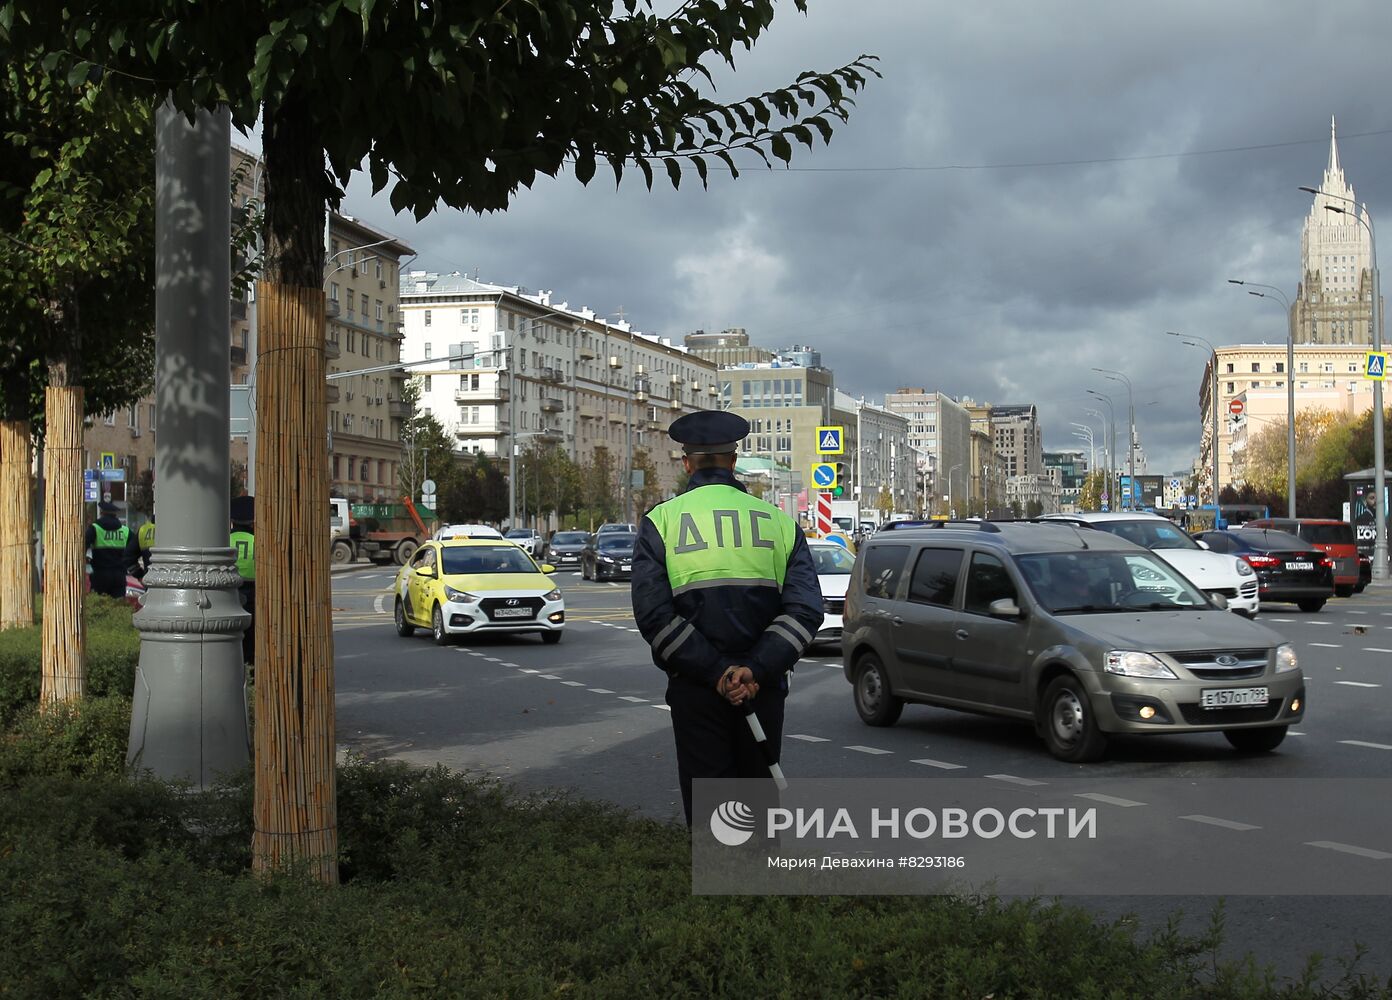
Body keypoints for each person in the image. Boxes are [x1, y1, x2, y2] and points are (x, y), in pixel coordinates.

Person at [631, 410, 823, 826]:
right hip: (762, 688)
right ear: (733, 461)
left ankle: (721, 886)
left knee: (712, 816)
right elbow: (806, 610)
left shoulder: (660, 523)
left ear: (686, 462)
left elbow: (654, 615)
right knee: (759, 805)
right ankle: (756, 887)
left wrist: (718, 673)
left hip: (697, 689)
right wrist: (754, 670)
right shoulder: (780, 523)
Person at [85, 500, 130, 598]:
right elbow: (133, 551)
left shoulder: (95, 528)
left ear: (102, 513)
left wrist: (86, 560)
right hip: (119, 576)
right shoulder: (125, 530)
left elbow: (83, 546)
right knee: (118, 607)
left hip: (100, 575)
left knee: (99, 605)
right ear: (115, 515)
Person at [230, 495, 255, 665]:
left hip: (229, 593)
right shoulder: (258, 541)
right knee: (251, 640)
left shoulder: (224, 540)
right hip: (253, 595)